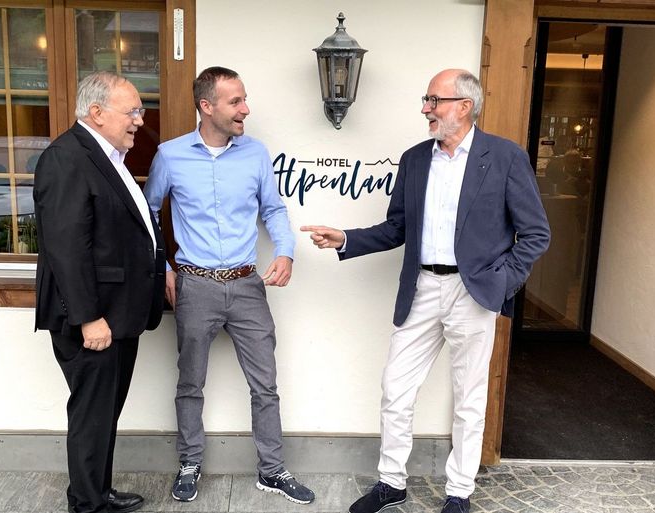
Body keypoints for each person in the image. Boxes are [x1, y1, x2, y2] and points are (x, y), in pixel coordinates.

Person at [301, 69, 550, 513]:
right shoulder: (415, 159)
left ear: (464, 106)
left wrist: (500, 282)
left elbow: (535, 234)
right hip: (420, 288)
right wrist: (346, 239)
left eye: (433, 100)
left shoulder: (505, 157)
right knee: (395, 388)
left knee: (469, 397)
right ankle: (391, 483)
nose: (425, 109)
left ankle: (459, 492)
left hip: (473, 293)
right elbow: (397, 227)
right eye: (426, 100)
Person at [144, 66, 314, 505]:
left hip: (246, 285)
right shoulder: (170, 155)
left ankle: (272, 470)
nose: (246, 109)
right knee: (190, 383)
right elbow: (147, 213)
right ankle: (189, 463)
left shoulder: (255, 153)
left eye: (244, 99)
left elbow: (273, 209)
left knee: (265, 385)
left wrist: (285, 251)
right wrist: (163, 268)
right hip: (194, 286)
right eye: (236, 101)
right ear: (207, 106)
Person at [33, 71, 166, 513]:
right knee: (92, 416)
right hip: (94, 319)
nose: (139, 120)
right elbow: (67, 248)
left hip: (119, 315)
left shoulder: (108, 157)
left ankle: (98, 493)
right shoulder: (66, 158)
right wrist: (89, 318)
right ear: (96, 112)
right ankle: (87, 505)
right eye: (132, 112)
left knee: (105, 413)